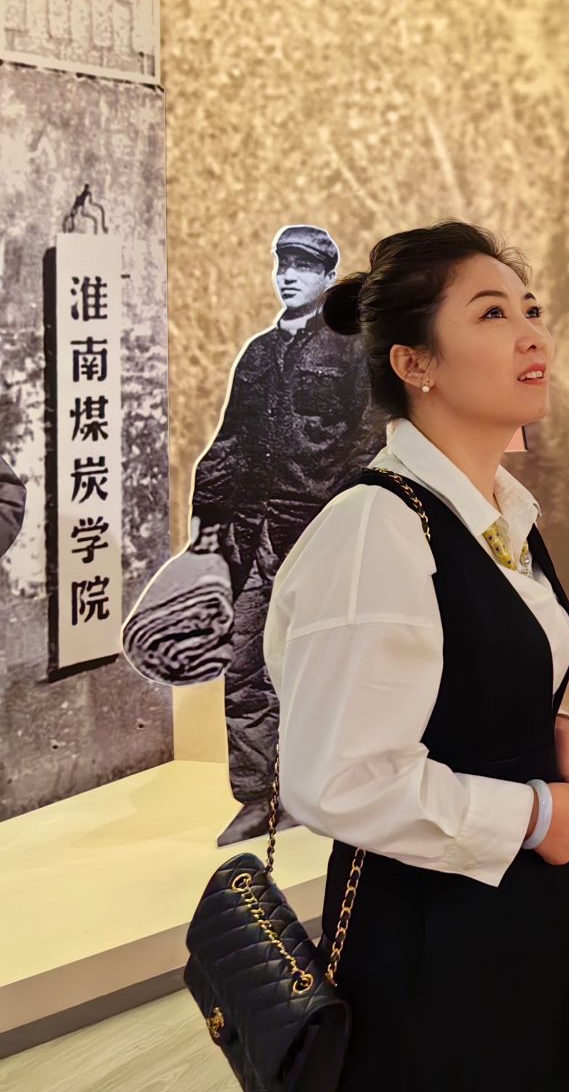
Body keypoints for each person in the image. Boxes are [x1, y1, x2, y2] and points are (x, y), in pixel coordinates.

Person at [267, 222, 569, 1091]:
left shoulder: (495, 511)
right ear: (414, 363)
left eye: (531, 310)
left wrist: (542, 727)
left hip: (510, 914)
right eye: (493, 314)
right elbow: (337, 780)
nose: (532, 335)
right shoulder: (376, 528)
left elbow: (465, 677)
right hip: (425, 933)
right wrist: (532, 814)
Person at [192, 224, 383, 843]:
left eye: (303, 265)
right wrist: (205, 523)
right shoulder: (258, 353)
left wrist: (344, 517)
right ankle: (261, 796)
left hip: (320, 532)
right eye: (283, 265)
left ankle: (330, 789)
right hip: (255, 533)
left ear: (328, 276)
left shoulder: (353, 349)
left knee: (326, 668)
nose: (289, 275)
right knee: (245, 663)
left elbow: (369, 439)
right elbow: (230, 441)